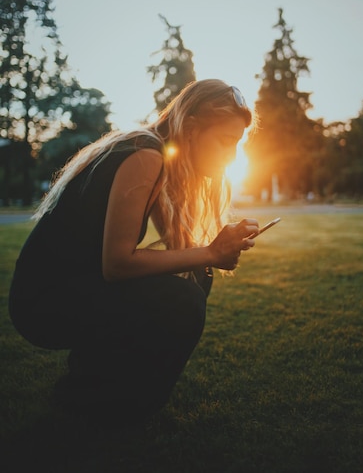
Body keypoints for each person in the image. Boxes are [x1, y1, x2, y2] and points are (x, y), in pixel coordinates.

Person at [8, 79, 260, 426]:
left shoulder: (160, 156)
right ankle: (97, 399)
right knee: (183, 297)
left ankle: (97, 380)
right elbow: (117, 264)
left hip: (77, 287)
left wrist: (218, 250)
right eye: (225, 141)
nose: (232, 155)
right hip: (43, 302)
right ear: (190, 128)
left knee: (196, 279)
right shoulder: (146, 154)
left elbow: (183, 248)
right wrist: (210, 253)